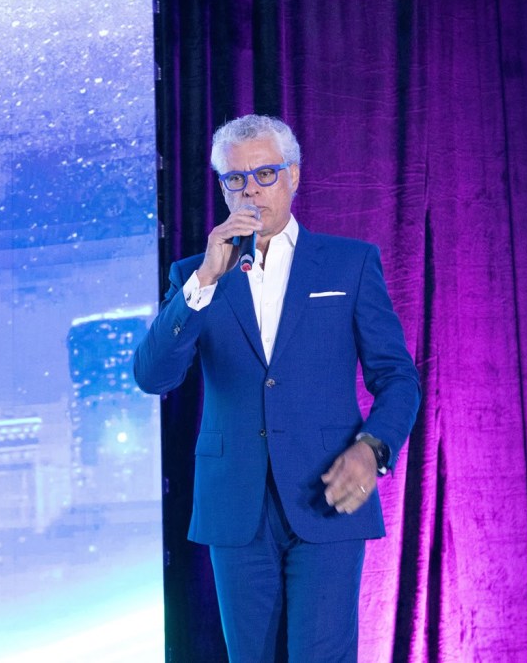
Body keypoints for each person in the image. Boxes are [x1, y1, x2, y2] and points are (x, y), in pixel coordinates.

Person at [133, 114, 421, 662]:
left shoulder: (349, 263)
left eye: (264, 174)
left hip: (327, 493)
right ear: (222, 187)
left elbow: (398, 378)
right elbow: (153, 376)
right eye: (235, 179)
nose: (250, 191)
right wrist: (203, 281)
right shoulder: (195, 274)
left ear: (294, 176)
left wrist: (373, 448)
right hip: (234, 503)